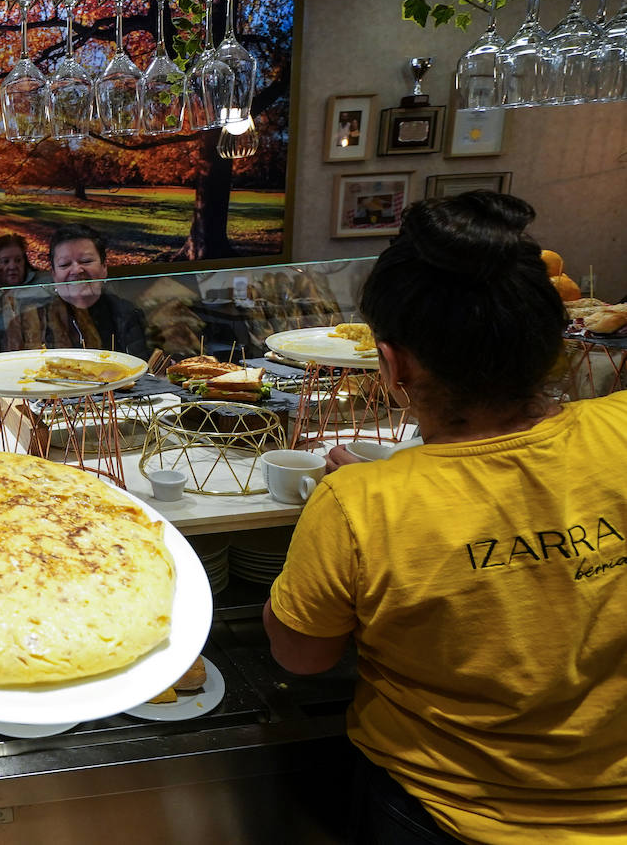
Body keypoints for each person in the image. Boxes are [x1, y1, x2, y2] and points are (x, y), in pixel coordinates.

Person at [263, 191, 627, 844]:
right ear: (553, 339)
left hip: (444, 818)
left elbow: (301, 655)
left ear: (393, 363)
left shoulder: (358, 504)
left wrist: (369, 511)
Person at [44, 224, 149, 359]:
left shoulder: (126, 313)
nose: (76, 270)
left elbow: (141, 369)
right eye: (65, 264)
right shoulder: (36, 320)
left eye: (86, 261)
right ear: (53, 274)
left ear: (104, 267)